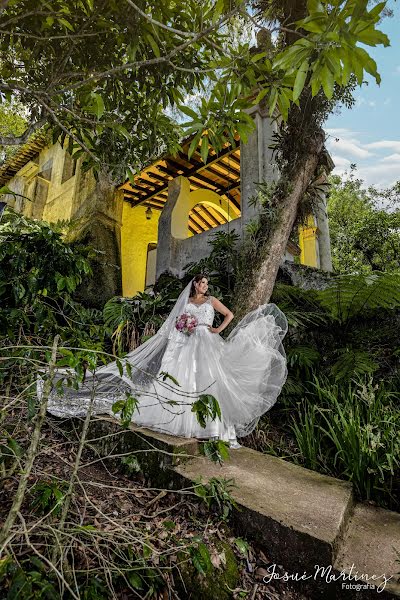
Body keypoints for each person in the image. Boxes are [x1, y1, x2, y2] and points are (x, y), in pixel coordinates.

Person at [44, 274, 288, 449]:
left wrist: (216, 330)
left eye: (207, 283)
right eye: (202, 283)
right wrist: (183, 330)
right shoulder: (188, 302)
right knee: (182, 377)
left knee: (209, 378)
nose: (205, 286)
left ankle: (211, 427)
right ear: (195, 284)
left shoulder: (211, 301)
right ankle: (177, 419)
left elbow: (230, 315)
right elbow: (177, 322)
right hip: (186, 343)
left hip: (207, 341)